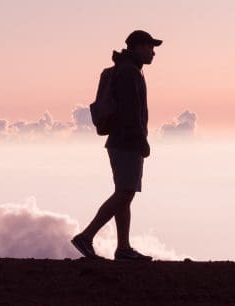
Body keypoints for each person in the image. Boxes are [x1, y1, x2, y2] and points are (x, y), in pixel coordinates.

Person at [71, 30, 161, 262]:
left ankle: (123, 248)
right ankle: (86, 236)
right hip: (126, 141)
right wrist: (141, 141)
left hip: (120, 141)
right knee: (125, 192)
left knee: (125, 192)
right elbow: (130, 112)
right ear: (138, 47)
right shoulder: (129, 73)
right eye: (150, 47)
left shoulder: (127, 70)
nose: (153, 53)